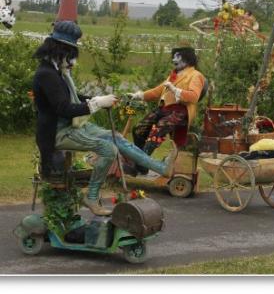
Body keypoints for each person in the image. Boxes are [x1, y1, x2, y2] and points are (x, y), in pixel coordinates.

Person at [33, 21, 177, 216]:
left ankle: (161, 168)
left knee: (116, 137)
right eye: (70, 54)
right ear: (60, 50)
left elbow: (72, 98)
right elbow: (64, 108)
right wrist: (97, 104)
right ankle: (91, 197)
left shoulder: (58, 72)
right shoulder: (46, 75)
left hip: (74, 127)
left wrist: (97, 99)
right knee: (108, 149)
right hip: (58, 133)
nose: (72, 60)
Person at [129, 47, 205, 173]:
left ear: (187, 59)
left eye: (177, 57)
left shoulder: (196, 75)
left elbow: (194, 96)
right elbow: (158, 91)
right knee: (138, 129)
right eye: (173, 57)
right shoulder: (174, 75)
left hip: (180, 112)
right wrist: (140, 95)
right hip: (164, 109)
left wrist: (176, 90)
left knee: (157, 132)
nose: (174, 60)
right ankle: (141, 162)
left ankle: (141, 164)